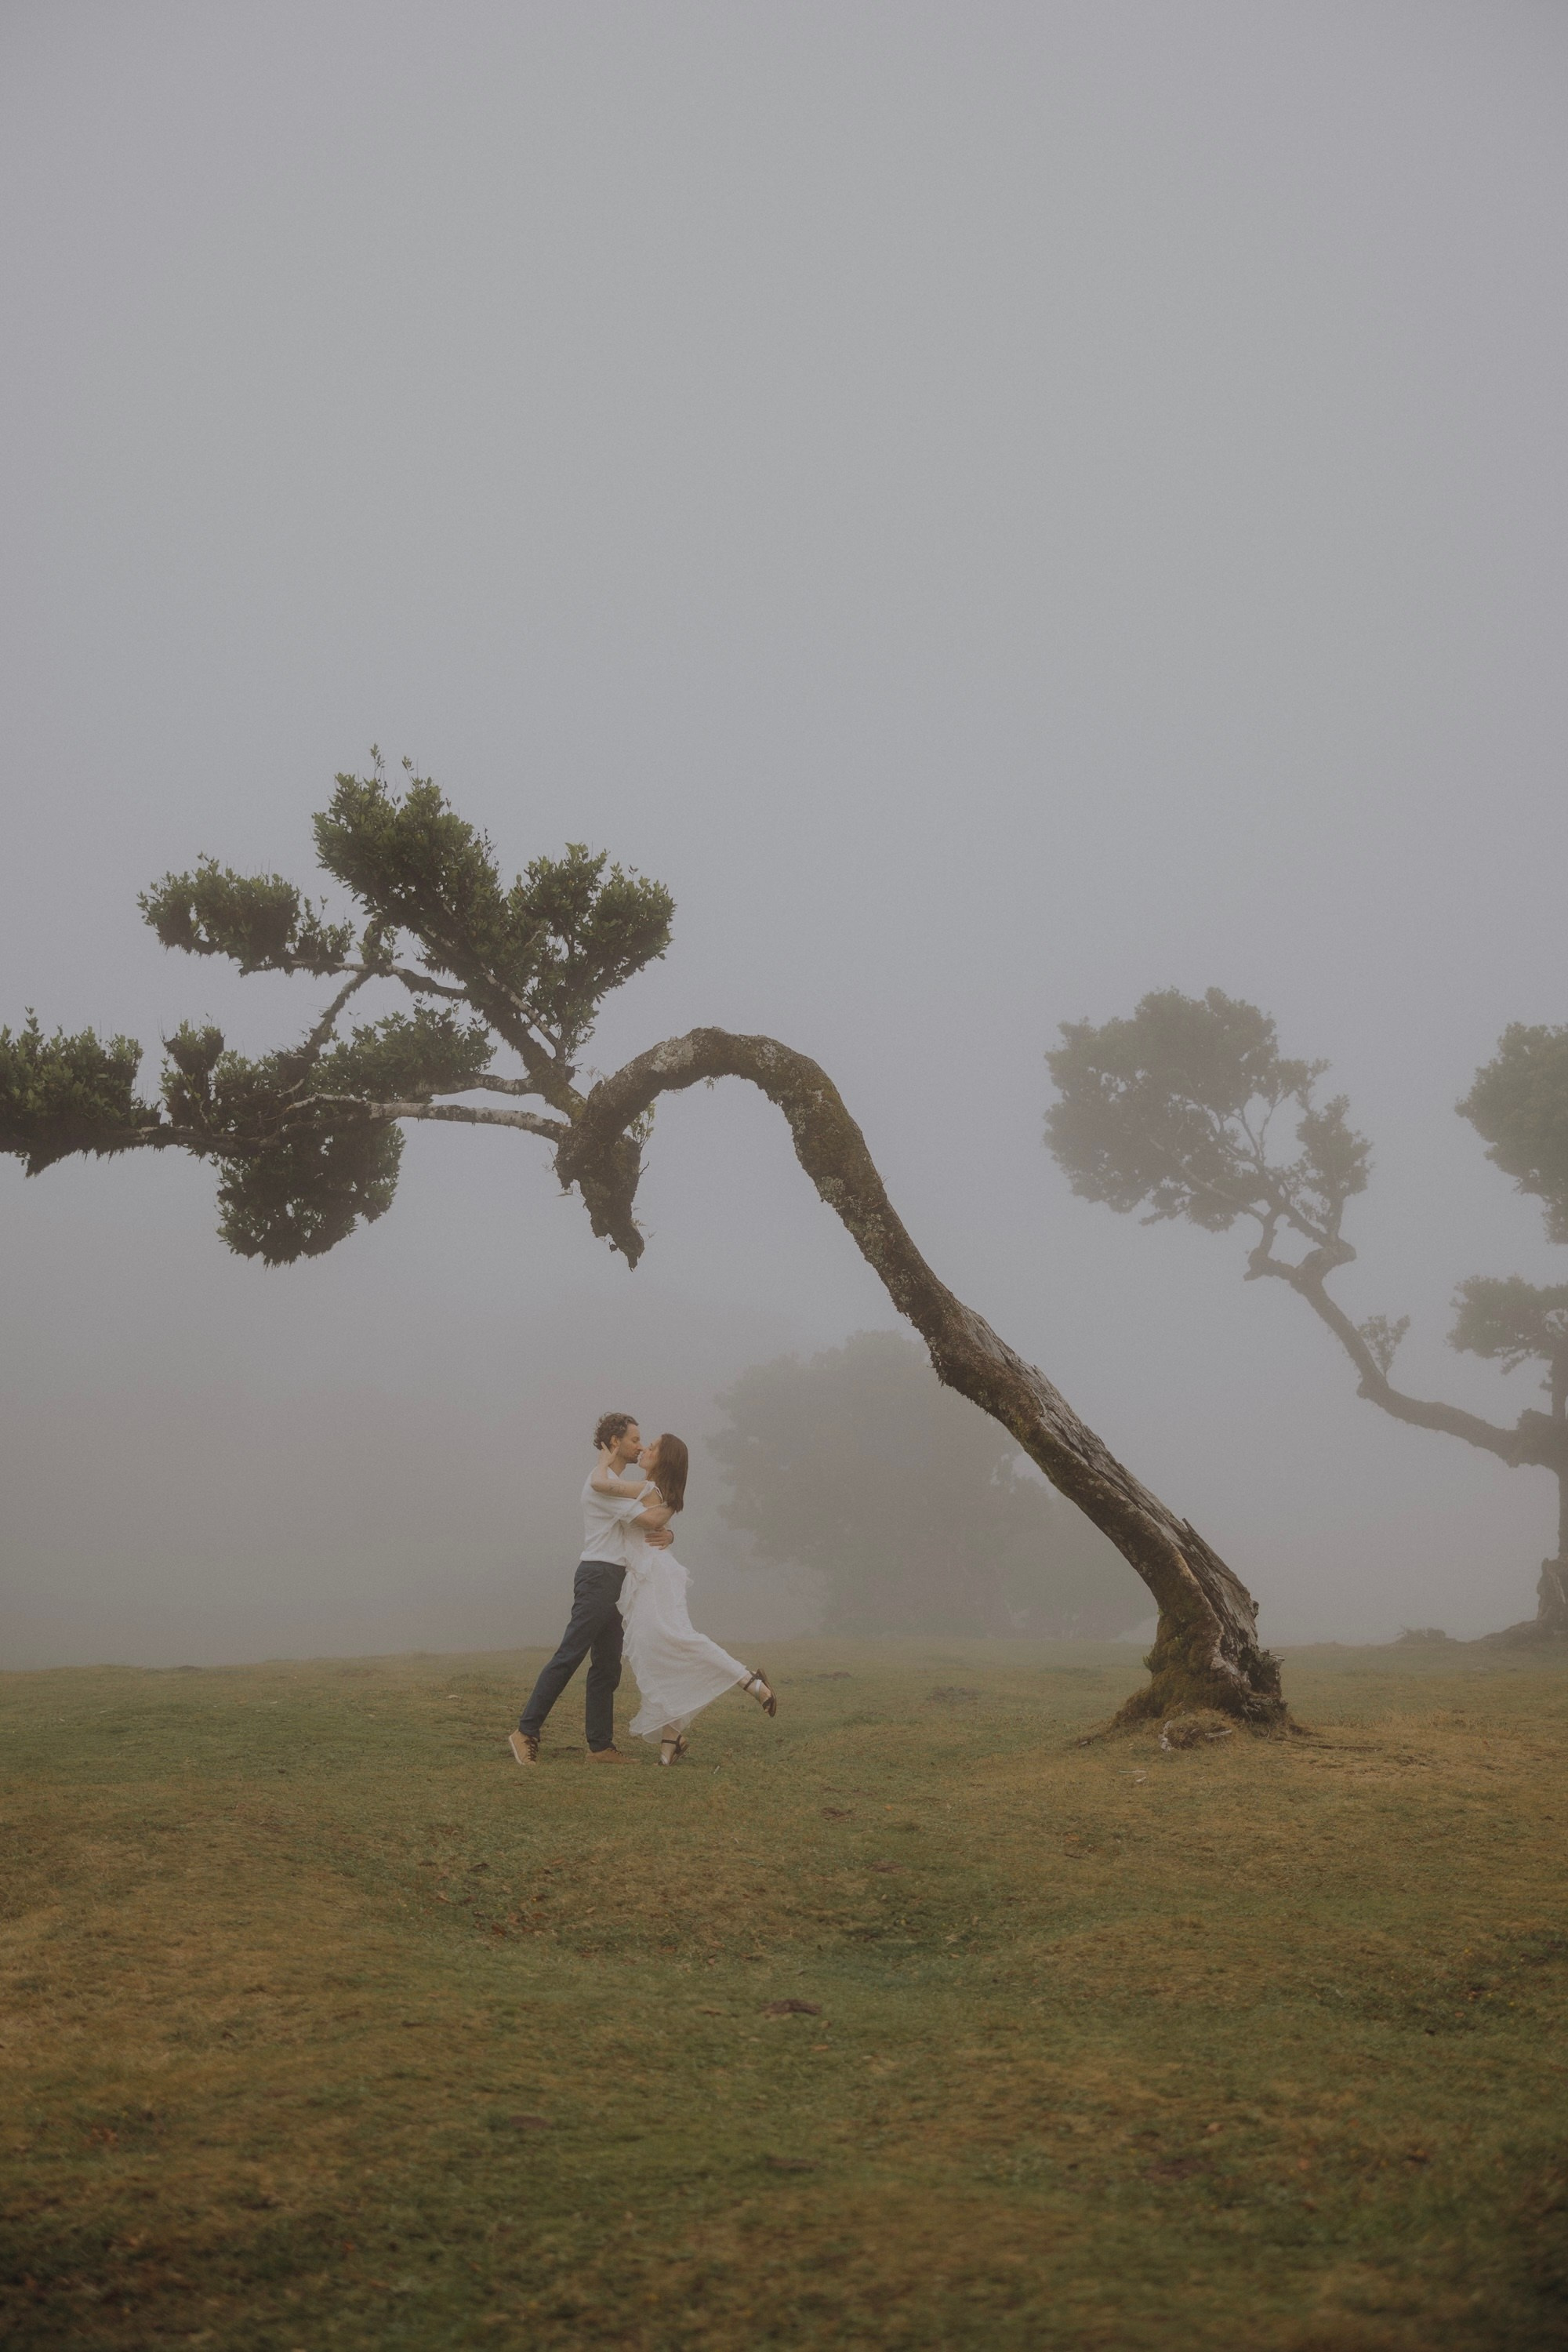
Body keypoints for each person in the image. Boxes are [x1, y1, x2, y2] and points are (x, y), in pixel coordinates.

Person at [594, 1432, 777, 1765]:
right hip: (645, 1575)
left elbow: (600, 1486)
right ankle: (671, 1740)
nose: (645, 1449)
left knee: (674, 1639)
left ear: (664, 1460)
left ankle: (750, 1681)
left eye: (652, 1448)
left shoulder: (649, 1489)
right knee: (656, 1651)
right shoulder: (654, 1490)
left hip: (654, 1576)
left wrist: (602, 1464)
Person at [509, 1412, 673, 1766]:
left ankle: (600, 1748)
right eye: (634, 1439)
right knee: (570, 1655)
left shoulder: (612, 1481)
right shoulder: (600, 1484)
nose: (640, 1446)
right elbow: (650, 1520)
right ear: (614, 1442)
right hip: (599, 1576)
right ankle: (525, 1732)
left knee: (607, 1667)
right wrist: (669, 1496)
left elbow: (646, 1530)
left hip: (615, 1579)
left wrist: (669, 1533)